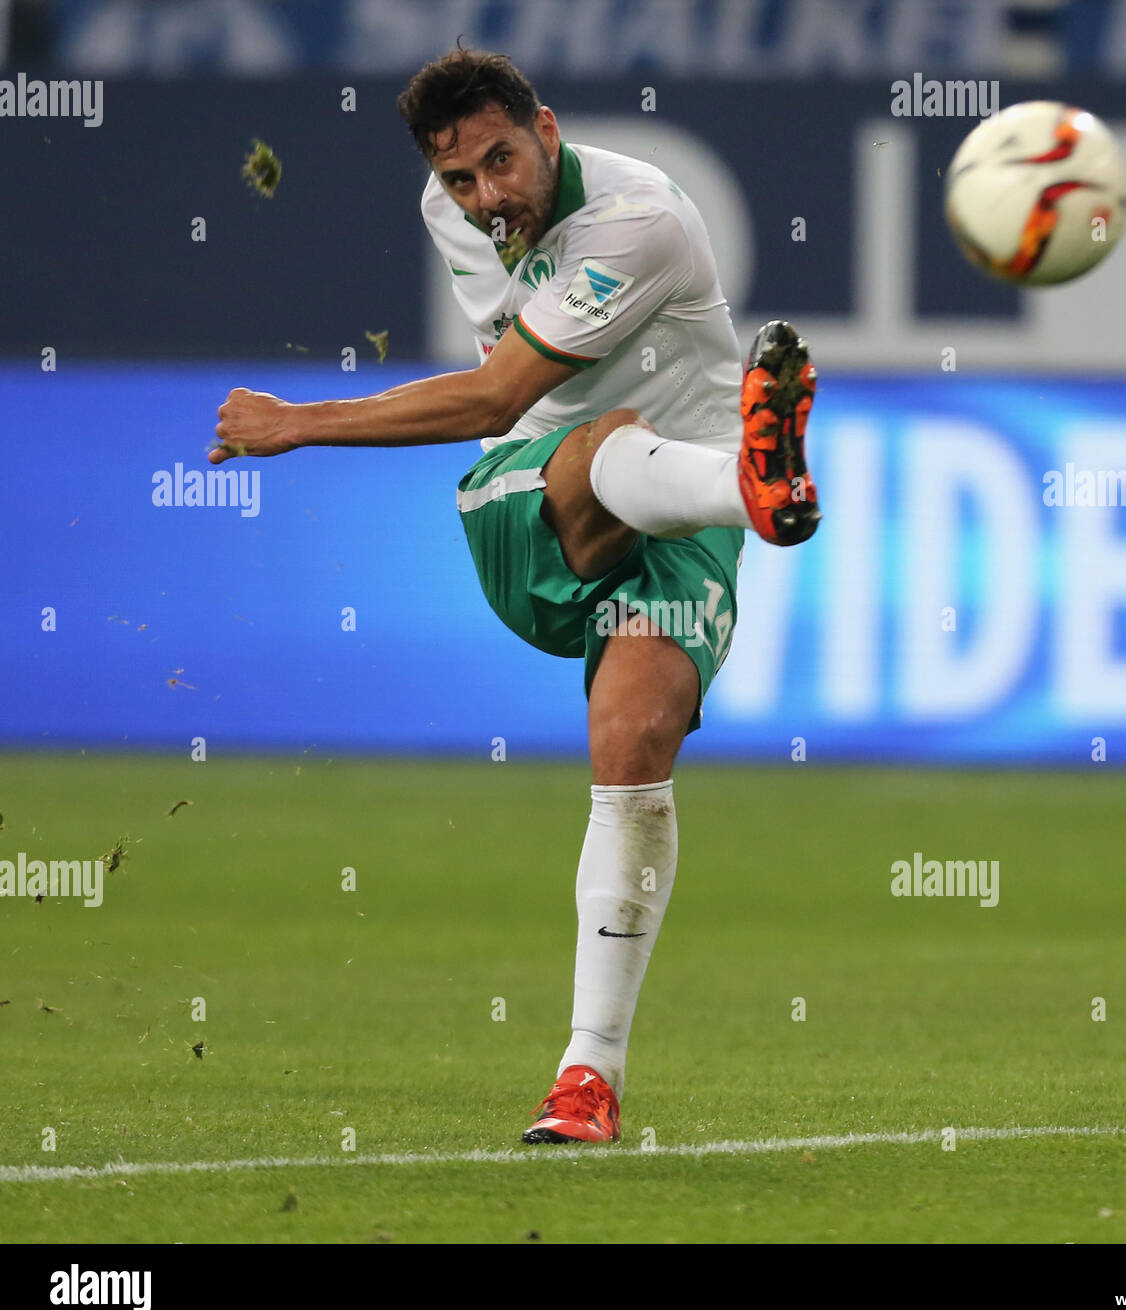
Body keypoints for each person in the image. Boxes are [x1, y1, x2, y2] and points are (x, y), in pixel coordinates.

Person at [208, 48, 821, 1144]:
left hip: (678, 517)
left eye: (501, 160)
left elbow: (492, 389)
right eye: (459, 178)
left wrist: (298, 422)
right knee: (605, 437)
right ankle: (755, 486)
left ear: (546, 130)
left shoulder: (638, 222)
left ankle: (587, 1080)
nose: (487, 196)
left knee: (632, 747)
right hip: (529, 502)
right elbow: (507, 413)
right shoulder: (453, 214)